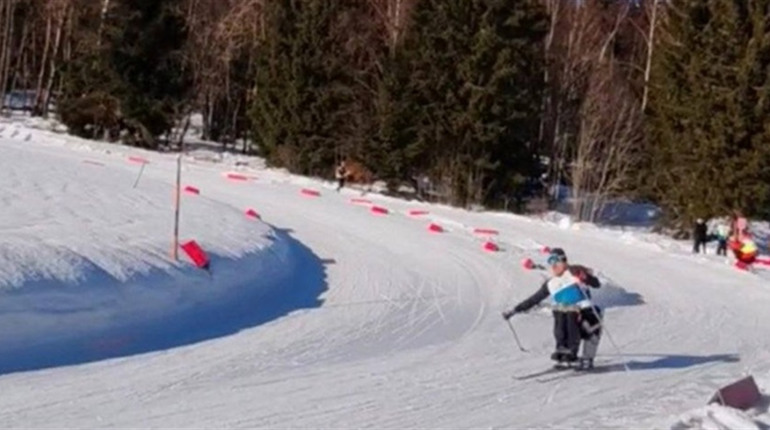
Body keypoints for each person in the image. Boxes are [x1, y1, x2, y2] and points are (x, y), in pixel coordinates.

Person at [502, 248, 601, 369]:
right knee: (559, 309)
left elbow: (596, 284)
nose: (553, 265)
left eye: (555, 261)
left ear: (563, 261)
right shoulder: (551, 284)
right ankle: (563, 350)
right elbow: (534, 299)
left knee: (570, 312)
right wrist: (514, 310)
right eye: (550, 262)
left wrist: (585, 277)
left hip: (587, 315)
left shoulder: (574, 271)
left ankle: (582, 355)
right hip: (566, 314)